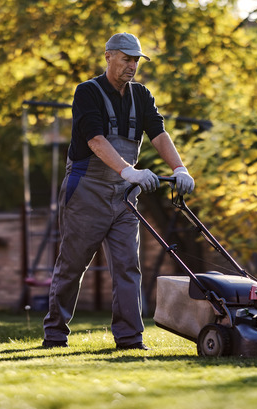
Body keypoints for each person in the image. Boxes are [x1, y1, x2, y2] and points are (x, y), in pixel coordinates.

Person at [42, 32, 195, 350]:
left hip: (125, 197)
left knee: (127, 265)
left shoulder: (141, 96)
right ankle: (55, 332)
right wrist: (129, 170)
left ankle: (129, 338)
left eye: (136, 60)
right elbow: (95, 141)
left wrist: (180, 169)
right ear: (108, 56)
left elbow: (158, 133)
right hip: (87, 191)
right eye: (126, 58)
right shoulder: (88, 92)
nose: (132, 65)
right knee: (73, 264)